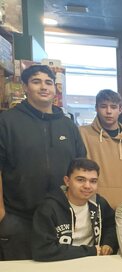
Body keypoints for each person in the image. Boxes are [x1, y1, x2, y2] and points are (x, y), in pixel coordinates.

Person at [0, 64, 86, 260]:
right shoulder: (7, 121)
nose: (43, 87)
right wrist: (1, 211)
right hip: (19, 216)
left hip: (61, 217)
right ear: (25, 87)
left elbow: (80, 168)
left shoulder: (68, 125)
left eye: (48, 82)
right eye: (36, 82)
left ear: (55, 89)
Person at [79, 89, 122, 209]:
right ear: (96, 108)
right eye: (103, 106)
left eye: (113, 107)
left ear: (120, 109)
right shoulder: (83, 134)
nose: (108, 111)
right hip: (94, 203)